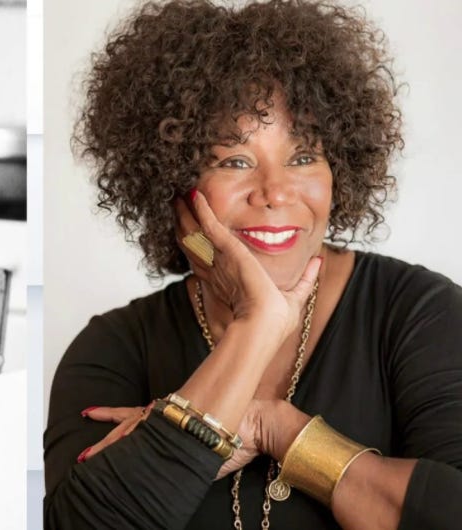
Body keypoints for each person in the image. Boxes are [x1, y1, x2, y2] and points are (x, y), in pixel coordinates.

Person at [44, 1, 462, 529]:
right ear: (173, 188)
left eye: (304, 155)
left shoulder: (419, 314)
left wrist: (277, 430)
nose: (276, 192)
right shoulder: (115, 348)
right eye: (234, 160)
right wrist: (257, 323)